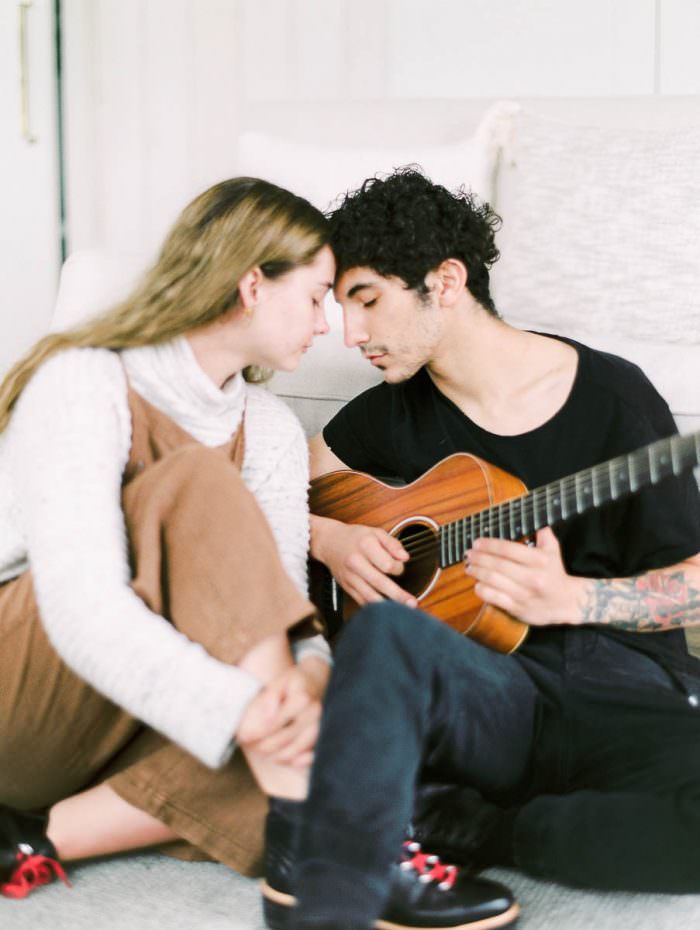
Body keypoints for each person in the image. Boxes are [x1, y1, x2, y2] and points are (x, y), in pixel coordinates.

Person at [0, 176, 516, 930]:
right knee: (198, 488)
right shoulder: (86, 378)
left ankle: (33, 839)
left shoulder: (268, 429)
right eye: (315, 297)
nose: (328, 325)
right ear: (251, 286)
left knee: (323, 713)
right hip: (25, 685)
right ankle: (332, 837)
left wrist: (305, 687)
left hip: (125, 720)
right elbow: (83, 611)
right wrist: (250, 713)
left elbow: (284, 610)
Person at [260, 168, 700, 929]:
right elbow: (262, 493)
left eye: (366, 300)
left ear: (446, 281)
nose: (351, 334)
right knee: (388, 629)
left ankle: (473, 829)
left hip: (618, 693)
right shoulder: (389, 415)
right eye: (340, 309)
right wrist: (330, 538)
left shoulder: (613, 396)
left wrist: (576, 598)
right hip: (487, 702)